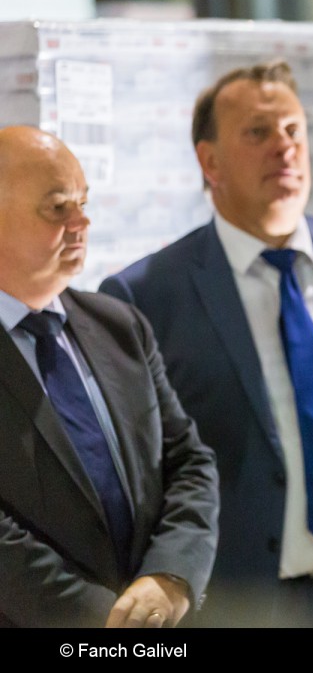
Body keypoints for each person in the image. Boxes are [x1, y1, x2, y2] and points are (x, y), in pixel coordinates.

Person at [100, 61, 313, 627]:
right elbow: (146, 476)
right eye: (258, 133)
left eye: (293, 131)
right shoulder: (144, 296)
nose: (284, 149)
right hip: (246, 605)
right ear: (209, 161)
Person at [0, 125, 218, 628]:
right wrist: (106, 620)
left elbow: (189, 462)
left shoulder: (117, 325)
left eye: (84, 201)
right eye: (58, 207)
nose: (82, 221)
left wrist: (169, 578)